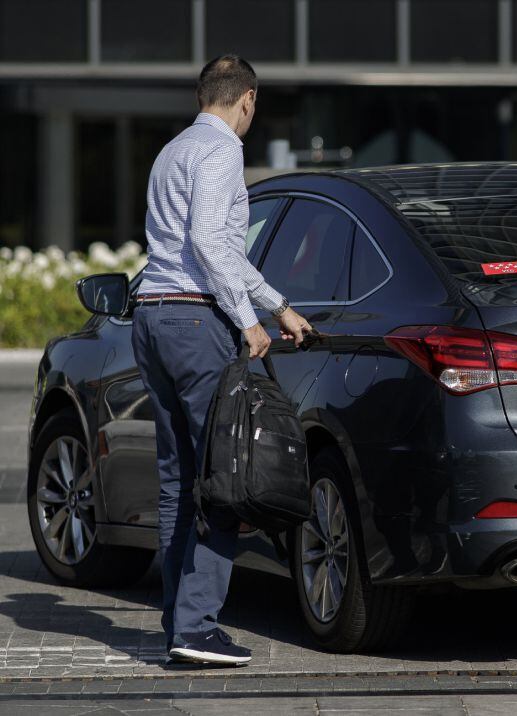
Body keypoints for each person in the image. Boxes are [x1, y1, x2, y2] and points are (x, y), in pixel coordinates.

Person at [133, 55, 311, 666]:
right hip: (192, 320)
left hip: (153, 317)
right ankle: (198, 627)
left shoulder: (173, 150)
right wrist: (247, 320)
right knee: (226, 473)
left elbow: (201, 249)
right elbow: (213, 242)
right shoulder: (223, 150)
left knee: (180, 479)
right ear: (248, 101)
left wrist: (277, 305)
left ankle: (178, 623)